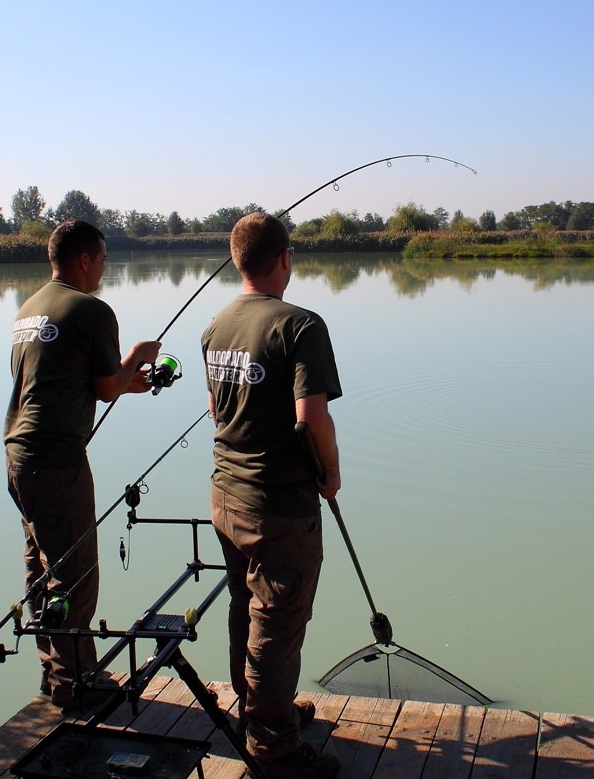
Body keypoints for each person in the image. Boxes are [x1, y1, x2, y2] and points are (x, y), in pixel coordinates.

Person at [201, 212, 343, 778]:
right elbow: (311, 421)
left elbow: (216, 411)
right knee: (278, 625)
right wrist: (330, 475)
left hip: (225, 495)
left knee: (246, 608)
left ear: (238, 261)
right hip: (279, 507)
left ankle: (263, 713)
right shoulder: (302, 325)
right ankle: (274, 748)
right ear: (284, 258)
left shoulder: (215, 325)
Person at [4, 220, 160, 711]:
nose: (105, 270)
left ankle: (55, 673)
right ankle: (78, 684)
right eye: (104, 260)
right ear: (84, 260)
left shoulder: (28, 309)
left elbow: (73, 380)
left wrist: (121, 380)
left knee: (40, 567)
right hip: (56, 461)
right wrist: (135, 356)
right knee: (74, 574)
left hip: (18, 454)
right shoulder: (92, 310)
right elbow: (106, 387)